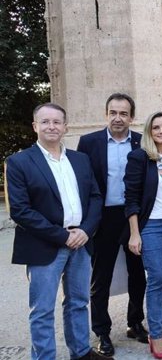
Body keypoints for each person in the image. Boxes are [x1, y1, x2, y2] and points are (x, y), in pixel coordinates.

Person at [6, 103, 109, 360]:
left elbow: (95, 198)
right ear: (35, 127)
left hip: (82, 243)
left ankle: (81, 352)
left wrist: (85, 230)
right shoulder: (18, 162)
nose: (51, 126)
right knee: (41, 310)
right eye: (45, 121)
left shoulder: (80, 159)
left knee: (77, 303)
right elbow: (20, 210)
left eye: (56, 122)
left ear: (65, 127)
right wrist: (63, 236)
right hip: (44, 246)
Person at [77, 93, 148, 356]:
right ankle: (102, 331)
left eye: (124, 113)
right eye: (113, 113)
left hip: (134, 218)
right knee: (101, 277)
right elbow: (83, 182)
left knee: (137, 274)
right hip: (103, 218)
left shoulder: (142, 142)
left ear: (132, 117)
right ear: (106, 114)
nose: (118, 118)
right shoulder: (88, 142)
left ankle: (135, 323)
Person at [125, 112, 162, 359]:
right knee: (157, 278)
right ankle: (156, 335)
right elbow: (130, 198)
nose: (161, 131)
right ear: (149, 131)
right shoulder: (139, 157)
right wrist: (134, 234)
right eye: (156, 127)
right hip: (151, 226)